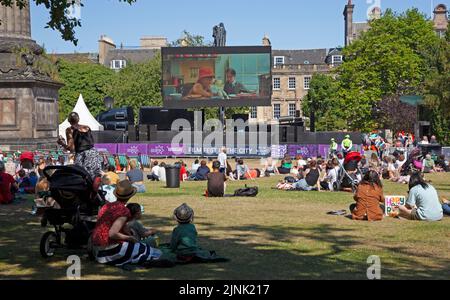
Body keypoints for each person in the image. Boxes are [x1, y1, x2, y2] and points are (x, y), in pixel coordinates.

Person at [91, 180, 170, 267]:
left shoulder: (107, 206)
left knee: (143, 248)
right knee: (156, 253)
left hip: (96, 248)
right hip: (110, 250)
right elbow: (112, 233)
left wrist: (128, 233)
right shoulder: (123, 211)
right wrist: (129, 238)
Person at [57, 112, 102, 180]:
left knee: (80, 177)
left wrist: (62, 143)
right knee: (94, 178)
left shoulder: (70, 130)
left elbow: (71, 149)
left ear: (69, 121)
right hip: (93, 153)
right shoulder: (87, 127)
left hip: (82, 155)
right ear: (78, 120)